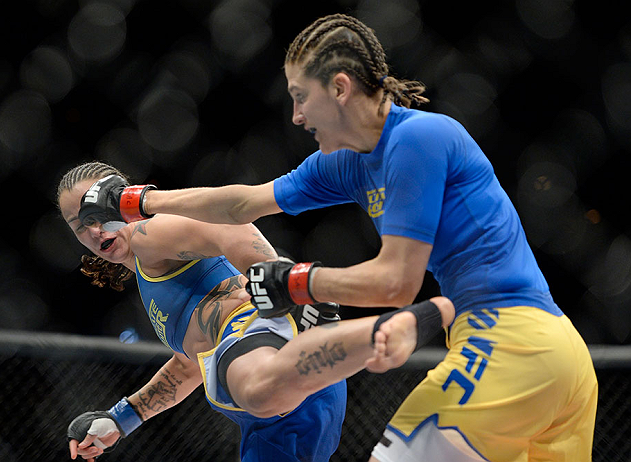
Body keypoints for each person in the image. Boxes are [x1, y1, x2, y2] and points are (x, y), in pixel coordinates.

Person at [78, 13, 599, 462]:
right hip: (548, 351)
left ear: (341, 88)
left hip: (510, 340)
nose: (297, 116)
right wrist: (137, 202)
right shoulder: (345, 164)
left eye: (302, 97)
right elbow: (242, 204)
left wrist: (298, 283)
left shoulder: (418, 138)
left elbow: (396, 282)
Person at [59, 161, 455, 462]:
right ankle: (346, 333)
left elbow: (229, 227)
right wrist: (121, 419)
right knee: (249, 392)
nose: (94, 231)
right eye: (80, 226)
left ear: (119, 201)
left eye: (96, 215)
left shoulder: (149, 234)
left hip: (260, 345)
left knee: (255, 390)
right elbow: (187, 366)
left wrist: (282, 285)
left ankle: (377, 331)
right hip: (289, 389)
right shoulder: (147, 275)